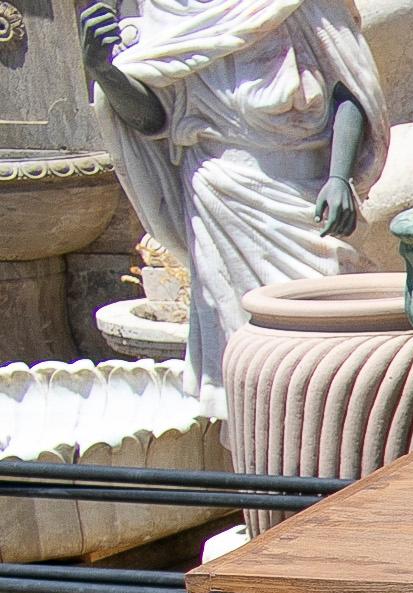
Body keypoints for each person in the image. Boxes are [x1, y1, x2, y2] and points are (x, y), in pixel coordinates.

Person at [82, 0, 389, 408]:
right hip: (217, 198)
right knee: (240, 377)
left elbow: (349, 90)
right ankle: (252, 458)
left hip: (302, 193)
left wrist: (339, 176)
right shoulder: (167, 8)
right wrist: (104, 71)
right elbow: (153, 119)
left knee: (327, 354)